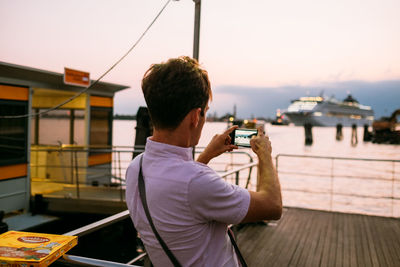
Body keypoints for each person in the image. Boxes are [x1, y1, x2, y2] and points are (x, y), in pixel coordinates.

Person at [125, 56, 282, 266]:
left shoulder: (136, 168)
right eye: (206, 112)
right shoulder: (197, 182)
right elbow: (272, 206)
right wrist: (265, 154)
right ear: (195, 117)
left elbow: (182, 192)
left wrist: (206, 156)